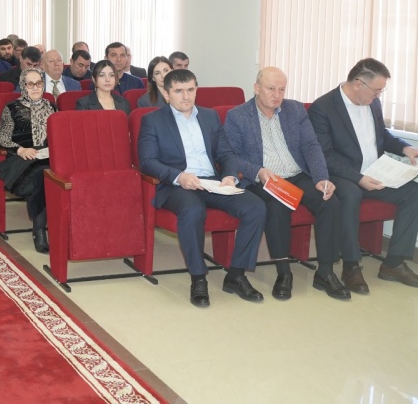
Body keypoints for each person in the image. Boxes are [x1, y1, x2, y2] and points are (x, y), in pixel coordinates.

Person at [137, 69, 267, 307]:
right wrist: (179, 177)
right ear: (166, 94)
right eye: (178, 91)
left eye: (190, 89)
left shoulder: (210, 117)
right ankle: (198, 278)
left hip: (212, 182)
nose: (186, 96)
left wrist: (229, 175)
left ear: (196, 89)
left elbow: (226, 153)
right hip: (176, 185)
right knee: (193, 210)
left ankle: (236, 275)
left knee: (255, 207)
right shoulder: (152, 120)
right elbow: (147, 162)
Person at [223, 68, 350, 301]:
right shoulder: (237, 116)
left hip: (296, 174)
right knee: (277, 206)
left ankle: (325, 272)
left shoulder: (295, 110)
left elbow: (311, 146)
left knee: (329, 201)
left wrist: (321, 178)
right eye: (271, 89)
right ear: (257, 88)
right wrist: (258, 171)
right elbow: (231, 155)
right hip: (264, 179)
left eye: (282, 89)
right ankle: (284, 272)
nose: (277, 95)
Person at [309, 58, 418, 292]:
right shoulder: (323, 107)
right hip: (343, 177)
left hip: (375, 173)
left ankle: (394, 264)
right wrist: (358, 178)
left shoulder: (372, 103)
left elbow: (381, 135)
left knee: (415, 193)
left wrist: (405, 148)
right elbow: (324, 155)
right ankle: (351, 266)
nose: (378, 96)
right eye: (376, 90)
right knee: (351, 194)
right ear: (358, 84)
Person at [0, 68, 56, 254]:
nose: (35, 87)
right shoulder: (12, 108)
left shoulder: (51, 106)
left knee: (59, 173)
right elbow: (2, 138)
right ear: (23, 85)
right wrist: (21, 150)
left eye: (39, 83)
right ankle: (39, 231)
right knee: (41, 176)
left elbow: (59, 134)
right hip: (22, 158)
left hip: (48, 155)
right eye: (30, 84)